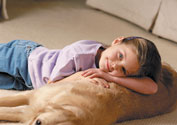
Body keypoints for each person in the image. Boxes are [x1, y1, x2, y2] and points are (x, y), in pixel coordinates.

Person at [0, 36, 161, 94]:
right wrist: (77, 77)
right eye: (120, 56)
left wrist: (108, 76)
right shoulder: (79, 53)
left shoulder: (108, 73)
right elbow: (50, 87)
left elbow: (152, 87)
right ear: (117, 41)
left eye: (123, 70)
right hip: (24, 59)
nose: (114, 66)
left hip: (27, 83)